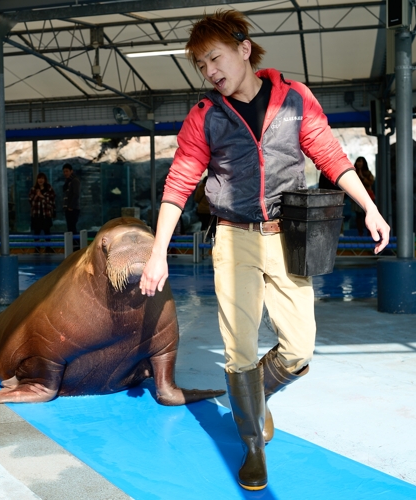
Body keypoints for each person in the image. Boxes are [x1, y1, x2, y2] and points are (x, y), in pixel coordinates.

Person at [139, 10, 390, 491]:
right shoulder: (206, 116)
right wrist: (157, 253)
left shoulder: (295, 99)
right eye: (201, 65)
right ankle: (252, 444)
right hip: (233, 237)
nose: (210, 71)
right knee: (238, 348)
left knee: (299, 347)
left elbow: (331, 156)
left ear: (244, 49)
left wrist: (369, 208)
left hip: (288, 234)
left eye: (214, 58)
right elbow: (179, 183)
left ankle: (254, 395)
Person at [29, 172, 56, 253]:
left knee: (47, 231)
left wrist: (42, 197)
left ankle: (48, 248)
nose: (40, 180)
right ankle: (37, 248)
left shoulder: (49, 189)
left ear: (45, 180)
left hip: (46, 215)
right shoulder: (33, 189)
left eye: (42, 178)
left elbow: (51, 202)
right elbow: (31, 202)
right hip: (36, 215)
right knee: (36, 232)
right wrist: (37, 196)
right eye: (39, 178)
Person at [352, 157, 375, 236]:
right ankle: (360, 232)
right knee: (358, 215)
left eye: (361, 162)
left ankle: (370, 233)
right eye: (358, 161)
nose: (359, 163)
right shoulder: (353, 172)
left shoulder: (368, 173)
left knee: (367, 214)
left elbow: (370, 183)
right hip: (357, 195)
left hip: (368, 196)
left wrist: (362, 177)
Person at [62, 163, 80, 235]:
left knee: (72, 227)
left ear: (71, 171)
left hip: (73, 208)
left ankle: (76, 244)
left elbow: (76, 194)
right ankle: (73, 244)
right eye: (64, 171)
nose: (65, 173)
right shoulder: (68, 181)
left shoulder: (75, 180)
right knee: (70, 227)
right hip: (68, 208)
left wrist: (71, 206)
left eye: (67, 171)